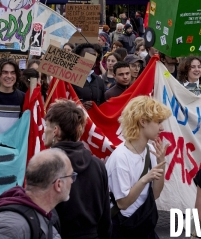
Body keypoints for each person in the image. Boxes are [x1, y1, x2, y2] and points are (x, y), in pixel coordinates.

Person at [44, 100, 111, 238]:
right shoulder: (98, 165)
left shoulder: (45, 165)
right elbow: (105, 218)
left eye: (47, 126)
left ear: (55, 130)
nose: (45, 130)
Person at [106, 96, 171, 238]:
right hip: (124, 228)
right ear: (142, 122)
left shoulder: (150, 149)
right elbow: (123, 203)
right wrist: (145, 179)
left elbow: (155, 194)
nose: (162, 127)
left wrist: (161, 163)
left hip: (143, 224)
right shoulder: (120, 157)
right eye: (158, 122)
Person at [0, 149, 68, 238]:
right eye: (71, 176)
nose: (72, 180)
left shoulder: (46, 216)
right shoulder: (12, 225)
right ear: (58, 184)